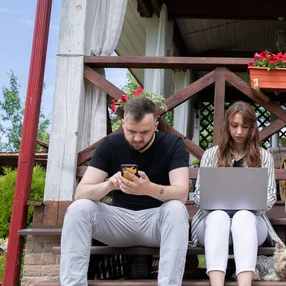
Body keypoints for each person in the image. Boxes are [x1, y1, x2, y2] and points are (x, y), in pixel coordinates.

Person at [60, 96, 190, 286]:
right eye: (131, 131)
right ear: (123, 124)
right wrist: (108, 185)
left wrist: (149, 189)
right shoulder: (110, 144)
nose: (137, 138)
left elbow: (182, 193)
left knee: (177, 210)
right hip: (118, 222)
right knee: (79, 208)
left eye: (144, 132)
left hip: (156, 223)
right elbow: (80, 193)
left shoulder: (173, 145)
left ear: (156, 124)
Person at [191, 101, 283, 286]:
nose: (239, 132)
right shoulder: (211, 155)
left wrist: (250, 204)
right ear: (227, 126)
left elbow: (271, 195)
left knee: (243, 216)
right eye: (234, 126)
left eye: (245, 126)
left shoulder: (263, 156)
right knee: (218, 216)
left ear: (252, 128)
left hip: (251, 223)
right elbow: (198, 194)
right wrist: (213, 203)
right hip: (211, 223)